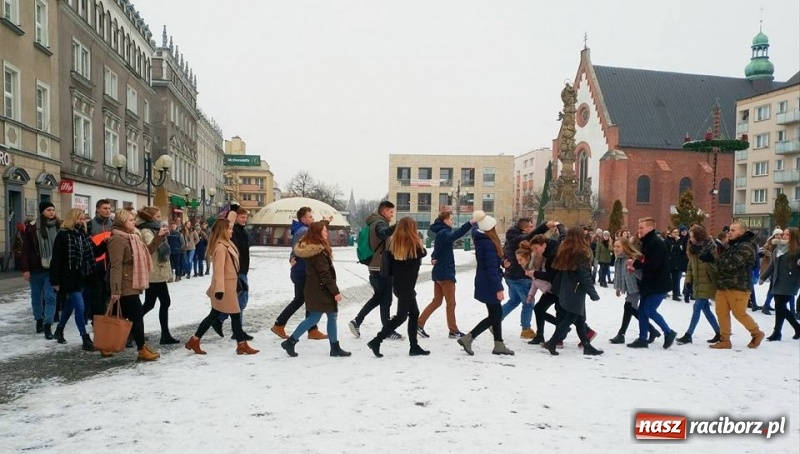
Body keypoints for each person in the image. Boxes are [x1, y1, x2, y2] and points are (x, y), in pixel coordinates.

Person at [184, 219, 259, 355]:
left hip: (229, 286)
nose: (231, 231)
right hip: (224, 288)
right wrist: (219, 290)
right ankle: (241, 345)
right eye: (229, 229)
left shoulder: (226, 244)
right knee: (234, 315)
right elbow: (218, 271)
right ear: (222, 231)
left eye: (231, 229)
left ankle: (194, 340)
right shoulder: (220, 247)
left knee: (214, 315)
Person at [280, 220, 349, 357]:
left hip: (317, 288)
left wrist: (326, 220)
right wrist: (335, 292)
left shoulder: (316, 247)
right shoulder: (317, 251)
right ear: (318, 233)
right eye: (324, 230)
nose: (326, 232)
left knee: (328, 316)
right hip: (320, 289)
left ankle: (334, 347)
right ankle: (291, 342)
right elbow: (324, 274)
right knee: (315, 318)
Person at [107, 209, 167, 361]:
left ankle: (106, 344)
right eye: (130, 220)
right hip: (124, 284)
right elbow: (116, 266)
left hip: (132, 282)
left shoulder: (133, 237)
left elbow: (146, 252)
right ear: (122, 222)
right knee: (137, 314)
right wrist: (115, 290)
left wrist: (158, 238)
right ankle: (141, 349)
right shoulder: (117, 239)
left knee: (116, 315)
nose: (134, 222)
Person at [366, 217, 430, 357]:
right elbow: (423, 253)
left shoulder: (396, 244)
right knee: (401, 317)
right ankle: (377, 340)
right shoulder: (414, 245)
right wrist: (419, 239)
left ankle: (414, 346)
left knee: (414, 313)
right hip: (406, 287)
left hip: (400, 285)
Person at [457, 211, 514, 356]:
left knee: (495, 312)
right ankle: (469, 337)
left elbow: (475, 227)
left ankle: (498, 344)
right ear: (491, 228)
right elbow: (491, 269)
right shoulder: (488, 243)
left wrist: (502, 262)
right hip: (489, 282)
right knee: (495, 315)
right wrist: (498, 288)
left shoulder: (479, 236)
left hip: (484, 280)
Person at [543, 226, 603, 356]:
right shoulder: (581, 252)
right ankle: (553, 342)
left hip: (566, 288)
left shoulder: (564, 250)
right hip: (576, 289)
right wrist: (593, 293)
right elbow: (584, 275)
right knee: (571, 318)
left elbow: (559, 272)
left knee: (579, 319)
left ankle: (587, 345)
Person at [271, 207, 329, 340]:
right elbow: (315, 233)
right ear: (303, 219)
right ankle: (308, 329)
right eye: (310, 217)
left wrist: (291, 257)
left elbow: (295, 250)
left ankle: (282, 324)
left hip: (300, 270)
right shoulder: (303, 230)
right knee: (308, 298)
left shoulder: (299, 230)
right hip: (303, 271)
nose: (312, 219)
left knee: (302, 299)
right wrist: (324, 223)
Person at [416, 211, 474, 338]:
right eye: (451, 219)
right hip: (445, 273)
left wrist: (433, 257)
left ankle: (419, 324)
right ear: (445, 221)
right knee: (451, 303)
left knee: (437, 301)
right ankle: (453, 330)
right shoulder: (444, 233)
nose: (452, 221)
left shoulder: (440, 233)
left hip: (439, 272)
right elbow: (456, 235)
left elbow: (438, 250)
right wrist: (469, 224)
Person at [709, 221, 765, 349]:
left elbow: (731, 264)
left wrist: (715, 260)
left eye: (733, 230)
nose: (729, 232)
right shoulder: (734, 245)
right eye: (729, 230)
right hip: (724, 284)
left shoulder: (746, 246)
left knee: (739, 313)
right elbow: (723, 261)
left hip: (739, 286)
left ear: (742, 232)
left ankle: (756, 333)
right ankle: (725, 340)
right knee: (721, 312)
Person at [348, 201, 399, 339]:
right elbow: (383, 233)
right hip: (381, 268)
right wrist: (396, 227)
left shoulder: (372, 223)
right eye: (390, 212)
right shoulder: (379, 224)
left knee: (378, 298)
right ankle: (387, 331)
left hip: (374, 267)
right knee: (386, 300)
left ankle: (357, 321)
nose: (392, 214)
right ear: (383, 211)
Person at [626, 217, 678, 349]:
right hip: (649, 282)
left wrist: (635, 264)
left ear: (650, 228)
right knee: (642, 310)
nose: (639, 230)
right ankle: (643, 338)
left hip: (658, 284)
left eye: (641, 227)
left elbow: (654, 264)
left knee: (649, 310)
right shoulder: (648, 242)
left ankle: (668, 332)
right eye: (639, 227)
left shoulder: (655, 243)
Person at [49, 208, 95, 351]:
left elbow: (90, 254)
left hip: (81, 276)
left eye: (83, 219)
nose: (82, 221)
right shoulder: (63, 236)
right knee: (80, 307)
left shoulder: (83, 235)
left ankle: (59, 329)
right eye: (79, 219)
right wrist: (55, 281)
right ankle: (84, 337)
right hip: (68, 277)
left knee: (70, 305)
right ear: (72, 219)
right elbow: (56, 259)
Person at [137, 207, 180, 345]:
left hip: (159, 273)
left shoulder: (154, 228)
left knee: (164, 302)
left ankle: (165, 334)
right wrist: (160, 235)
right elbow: (150, 246)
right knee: (150, 304)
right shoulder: (146, 230)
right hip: (153, 273)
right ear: (149, 217)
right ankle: (132, 327)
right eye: (157, 216)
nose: (159, 219)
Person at [609, 237, 660, 344]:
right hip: (629, 288)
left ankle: (622, 334)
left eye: (618, 246)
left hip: (636, 287)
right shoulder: (619, 259)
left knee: (629, 307)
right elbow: (619, 275)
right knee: (631, 309)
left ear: (625, 247)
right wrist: (619, 287)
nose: (616, 248)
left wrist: (633, 268)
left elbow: (640, 273)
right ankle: (652, 330)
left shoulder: (631, 258)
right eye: (615, 246)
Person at [676, 225, 721, 345]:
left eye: (692, 236)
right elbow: (690, 266)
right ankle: (719, 332)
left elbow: (717, 265)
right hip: (698, 282)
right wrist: (688, 281)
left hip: (708, 282)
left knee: (696, 307)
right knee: (705, 309)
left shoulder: (710, 247)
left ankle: (688, 334)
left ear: (698, 236)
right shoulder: (692, 248)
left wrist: (711, 260)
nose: (690, 239)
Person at [21, 201, 60, 338]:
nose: (51, 212)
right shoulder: (32, 228)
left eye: (53, 210)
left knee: (50, 297)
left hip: (53, 268)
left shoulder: (59, 226)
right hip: (36, 268)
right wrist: (25, 269)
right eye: (49, 210)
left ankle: (48, 325)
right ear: (42, 211)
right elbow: (25, 250)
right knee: (36, 297)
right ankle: (39, 320)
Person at [213, 207, 254, 340]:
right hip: (237, 271)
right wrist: (232, 213)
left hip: (243, 270)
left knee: (238, 301)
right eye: (242, 217)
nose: (245, 219)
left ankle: (223, 321)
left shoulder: (242, 231)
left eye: (245, 217)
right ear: (235, 218)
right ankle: (234, 329)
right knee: (240, 302)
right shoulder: (233, 231)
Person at [759, 227, 800, 341]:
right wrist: (763, 277)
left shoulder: (796, 250)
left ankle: (794, 328)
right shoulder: (778, 249)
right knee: (779, 307)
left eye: (787, 235)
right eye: (784, 234)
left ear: (793, 237)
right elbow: (772, 265)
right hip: (777, 281)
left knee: (780, 306)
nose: (784, 236)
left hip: (790, 282)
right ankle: (778, 333)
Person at [499, 218, 536, 339]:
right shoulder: (520, 240)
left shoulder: (510, 239)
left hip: (510, 276)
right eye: (530, 226)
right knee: (528, 303)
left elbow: (502, 255)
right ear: (525, 228)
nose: (532, 228)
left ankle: (494, 321)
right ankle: (526, 329)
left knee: (514, 301)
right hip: (521, 277)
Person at [86, 199, 113, 320]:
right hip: (96, 264)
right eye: (105, 208)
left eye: (109, 208)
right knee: (96, 294)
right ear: (97, 209)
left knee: (108, 293)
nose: (108, 211)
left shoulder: (113, 224)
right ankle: (96, 319)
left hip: (110, 264)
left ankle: (108, 317)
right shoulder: (90, 225)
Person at [759, 228, 782, 315]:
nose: (778, 236)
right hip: (772, 267)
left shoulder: (781, 242)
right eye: (777, 234)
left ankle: (767, 305)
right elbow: (765, 250)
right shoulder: (771, 242)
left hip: (776, 267)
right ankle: (766, 305)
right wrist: (769, 254)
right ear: (774, 235)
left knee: (772, 288)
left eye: (780, 234)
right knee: (773, 288)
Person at [665, 227, 687, 301]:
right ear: (671, 233)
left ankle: (675, 294)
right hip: (669, 262)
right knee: (667, 278)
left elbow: (682, 251)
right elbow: (669, 250)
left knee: (676, 279)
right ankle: (664, 292)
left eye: (677, 232)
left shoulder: (680, 240)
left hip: (677, 263)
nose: (676, 234)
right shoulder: (667, 241)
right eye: (674, 232)